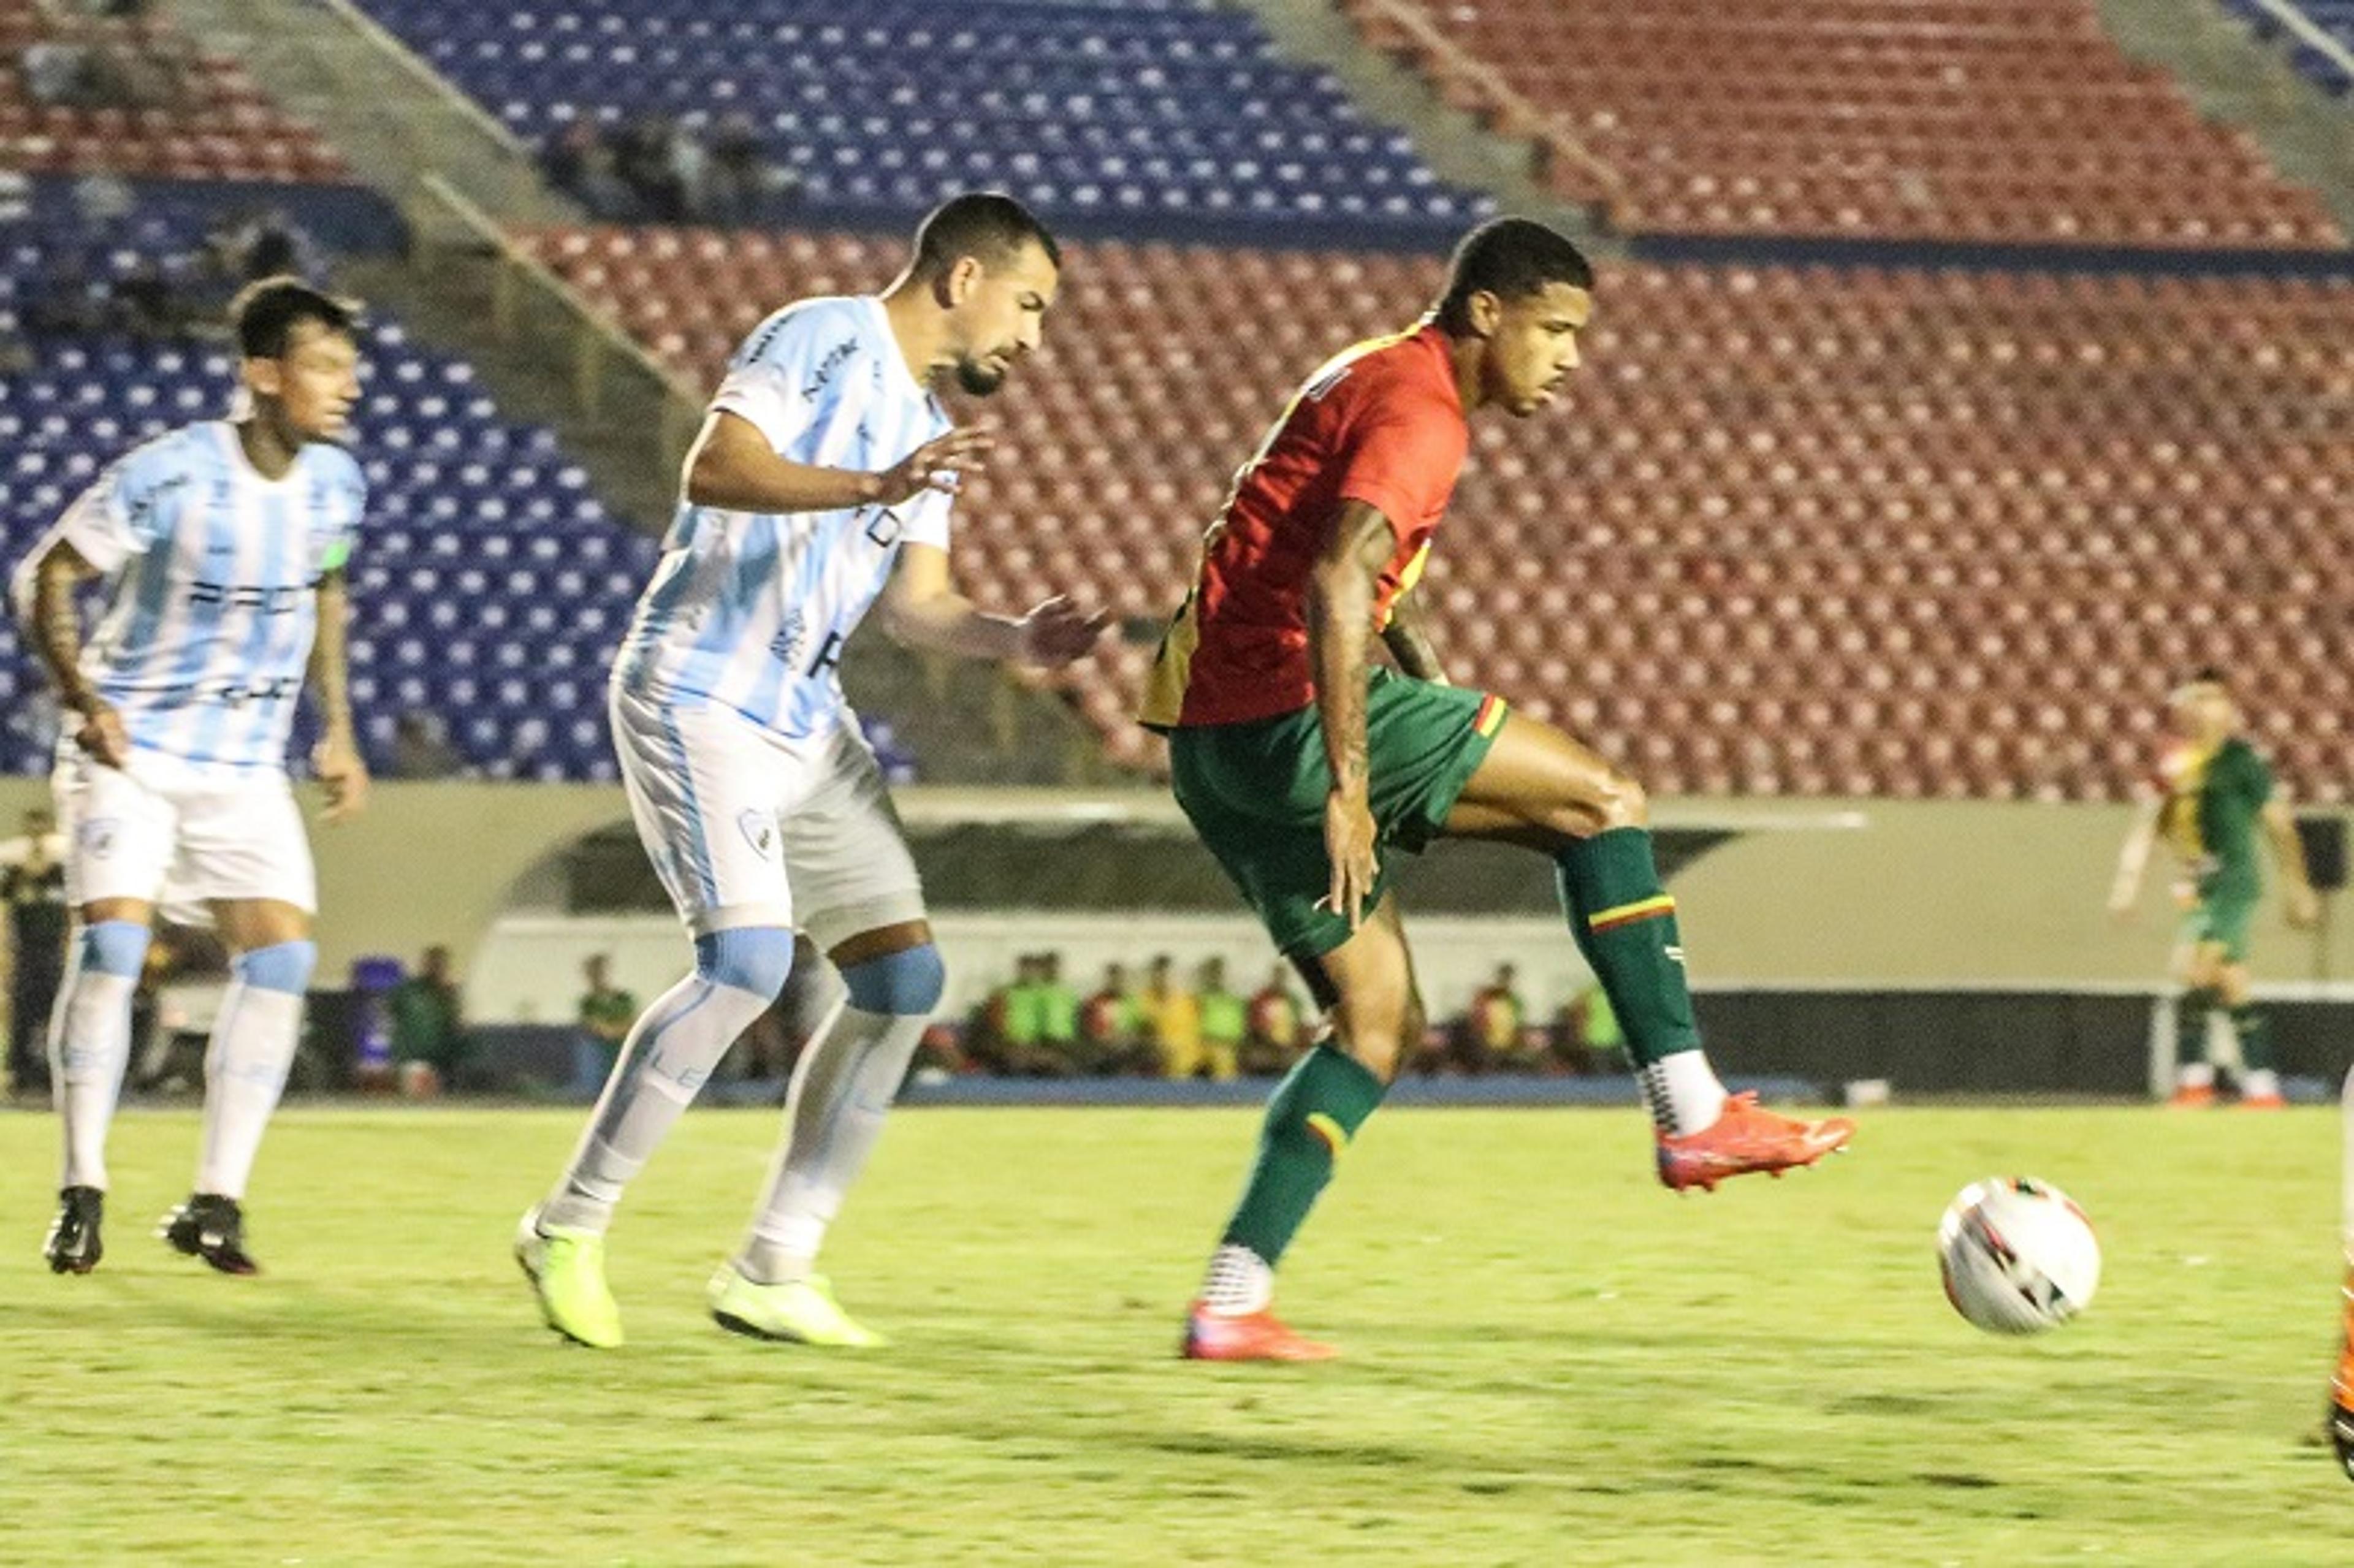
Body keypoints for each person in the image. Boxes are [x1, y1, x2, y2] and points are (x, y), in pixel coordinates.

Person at [1138, 218, 1856, 1360]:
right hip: (1286, 714)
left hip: (1207, 744)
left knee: (1374, 1026)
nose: (1571, 357)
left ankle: (1232, 1298)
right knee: (1603, 802)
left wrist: (1430, 688)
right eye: (1556, 329)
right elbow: (1337, 580)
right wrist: (1355, 785)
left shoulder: (1378, 375)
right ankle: (1692, 1112)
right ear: (1488, 313)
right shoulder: (1421, 411)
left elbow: (1373, 579)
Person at [517, 192, 1103, 1351]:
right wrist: (874, 488)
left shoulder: (932, 429)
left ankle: (775, 1265)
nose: (1033, 337)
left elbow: (921, 610)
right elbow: (717, 466)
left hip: (806, 717)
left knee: (903, 982)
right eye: (1027, 304)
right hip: (697, 687)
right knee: (743, 963)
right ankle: (567, 1224)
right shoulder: (822, 333)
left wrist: (1015, 638)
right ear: (963, 277)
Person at [12, 276, 368, 1276]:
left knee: (283, 962)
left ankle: (215, 1201)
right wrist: (84, 699)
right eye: (326, 366)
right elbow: (45, 572)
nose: (348, 387)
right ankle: (82, 1189)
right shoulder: (169, 475)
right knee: (115, 947)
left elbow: (327, 588)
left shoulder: (338, 483)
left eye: (351, 367)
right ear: (263, 373)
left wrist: (336, 728)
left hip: (245, 764)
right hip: (132, 758)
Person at [2108, 669, 2319, 1108]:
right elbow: (2150, 826)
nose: (2205, 708)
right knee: (2230, 981)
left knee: (2192, 968)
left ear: (2230, 710)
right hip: (2198, 886)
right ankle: (2262, 1089)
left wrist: (2297, 886)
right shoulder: (2175, 765)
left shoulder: (2242, 762)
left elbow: (2280, 826)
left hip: (2234, 883)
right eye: (2198, 698)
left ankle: (2195, 1082)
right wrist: (2129, 882)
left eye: (2215, 699)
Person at [388, 944, 465, 1087]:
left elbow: (456, 1025)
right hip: (410, 1059)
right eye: (432, 963)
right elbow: (390, 1013)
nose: (436, 968)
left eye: (440, 965)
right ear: (425, 964)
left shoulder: (449, 994)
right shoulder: (408, 990)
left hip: (439, 1062)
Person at [1140, 953, 1205, 1080]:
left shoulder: (1187, 1001)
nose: (1162, 978)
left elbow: (1195, 1034)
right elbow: (1143, 1033)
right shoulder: (1144, 1000)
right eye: (1158, 974)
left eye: (1166, 974)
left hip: (1188, 1060)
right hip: (1157, 1060)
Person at [575, 953, 636, 1083]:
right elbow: (593, 1025)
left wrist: (616, 1031)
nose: (596, 978)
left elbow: (631, 1023)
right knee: (587, 1048)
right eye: (592, 974)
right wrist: (607, 1031)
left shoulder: (623, 999)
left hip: (622, 1045)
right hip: (599, 1048)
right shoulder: (588, 1002)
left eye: (600, 973)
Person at [1078, 961, 1145, 1075]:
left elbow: (1139, 1029)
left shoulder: (1133, 1003)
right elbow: (1085, 1030)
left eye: (1119, 978)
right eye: (1112, 978)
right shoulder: (1094, 1002)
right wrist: (1103, 1039)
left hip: (1127, 1053)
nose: (1116, 982)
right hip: (1101, 1053)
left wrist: (1128, 1038)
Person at [1241, 963, 1303, 1075]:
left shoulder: (1293, 1001)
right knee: (1259, 1060)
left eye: (1282, 977)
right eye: (1277, 976)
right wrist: (1269, 1042)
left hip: (1286, 1048)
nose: (1279, 980)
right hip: (1266, 1046)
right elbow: (1254, 1025)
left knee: (1295, 1062)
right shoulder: (1262, 998)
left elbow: (1297, 1026)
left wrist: (1290, 1045)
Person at [1197, 957, 1244, 1083]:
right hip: (1205, 1045)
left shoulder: (1233, 1001)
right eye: (1213, 973)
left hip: (1230, 1046)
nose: (1216, 977)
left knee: (1225, 1056)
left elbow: (1240, 1031)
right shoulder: (1199, 999)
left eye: (1219, 972)